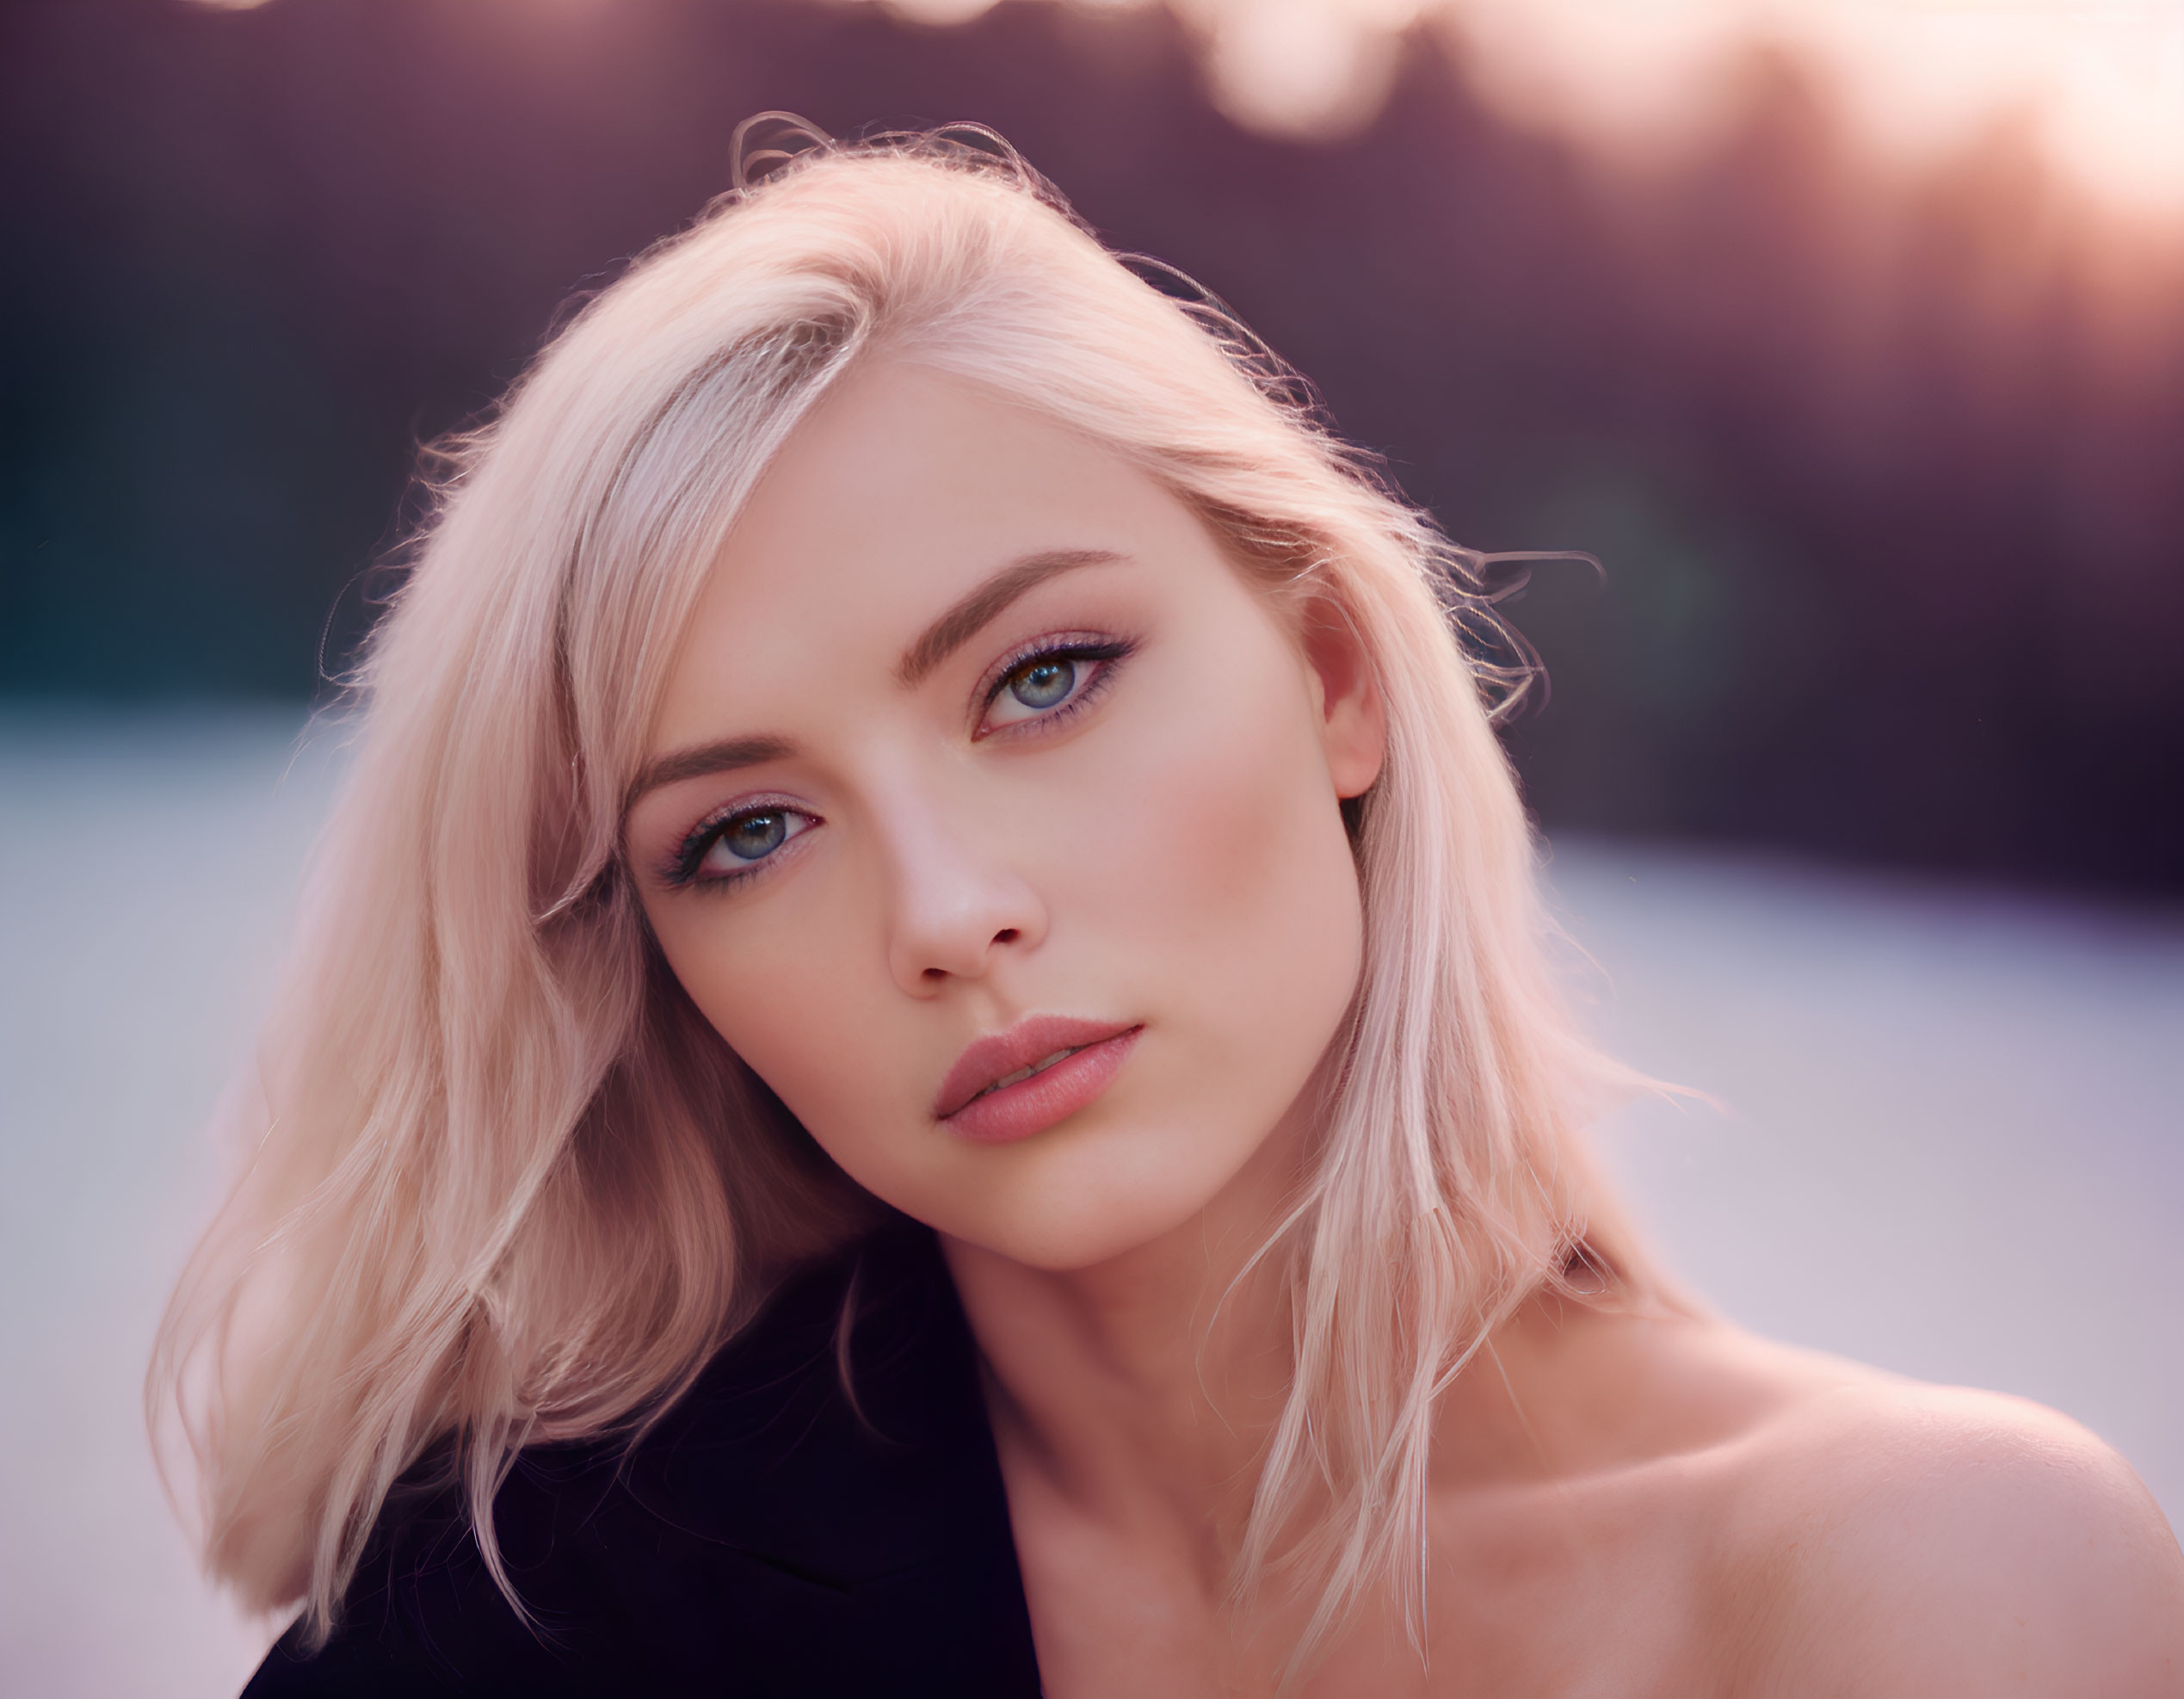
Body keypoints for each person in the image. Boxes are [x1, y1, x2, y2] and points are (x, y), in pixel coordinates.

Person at [152, 120, 2184, 1697]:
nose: (949, 916)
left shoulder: (1933, 1585)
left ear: (1334, 683)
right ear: (662, 967)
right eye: (747, 834)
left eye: (1042, 680)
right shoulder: (548, 1610)